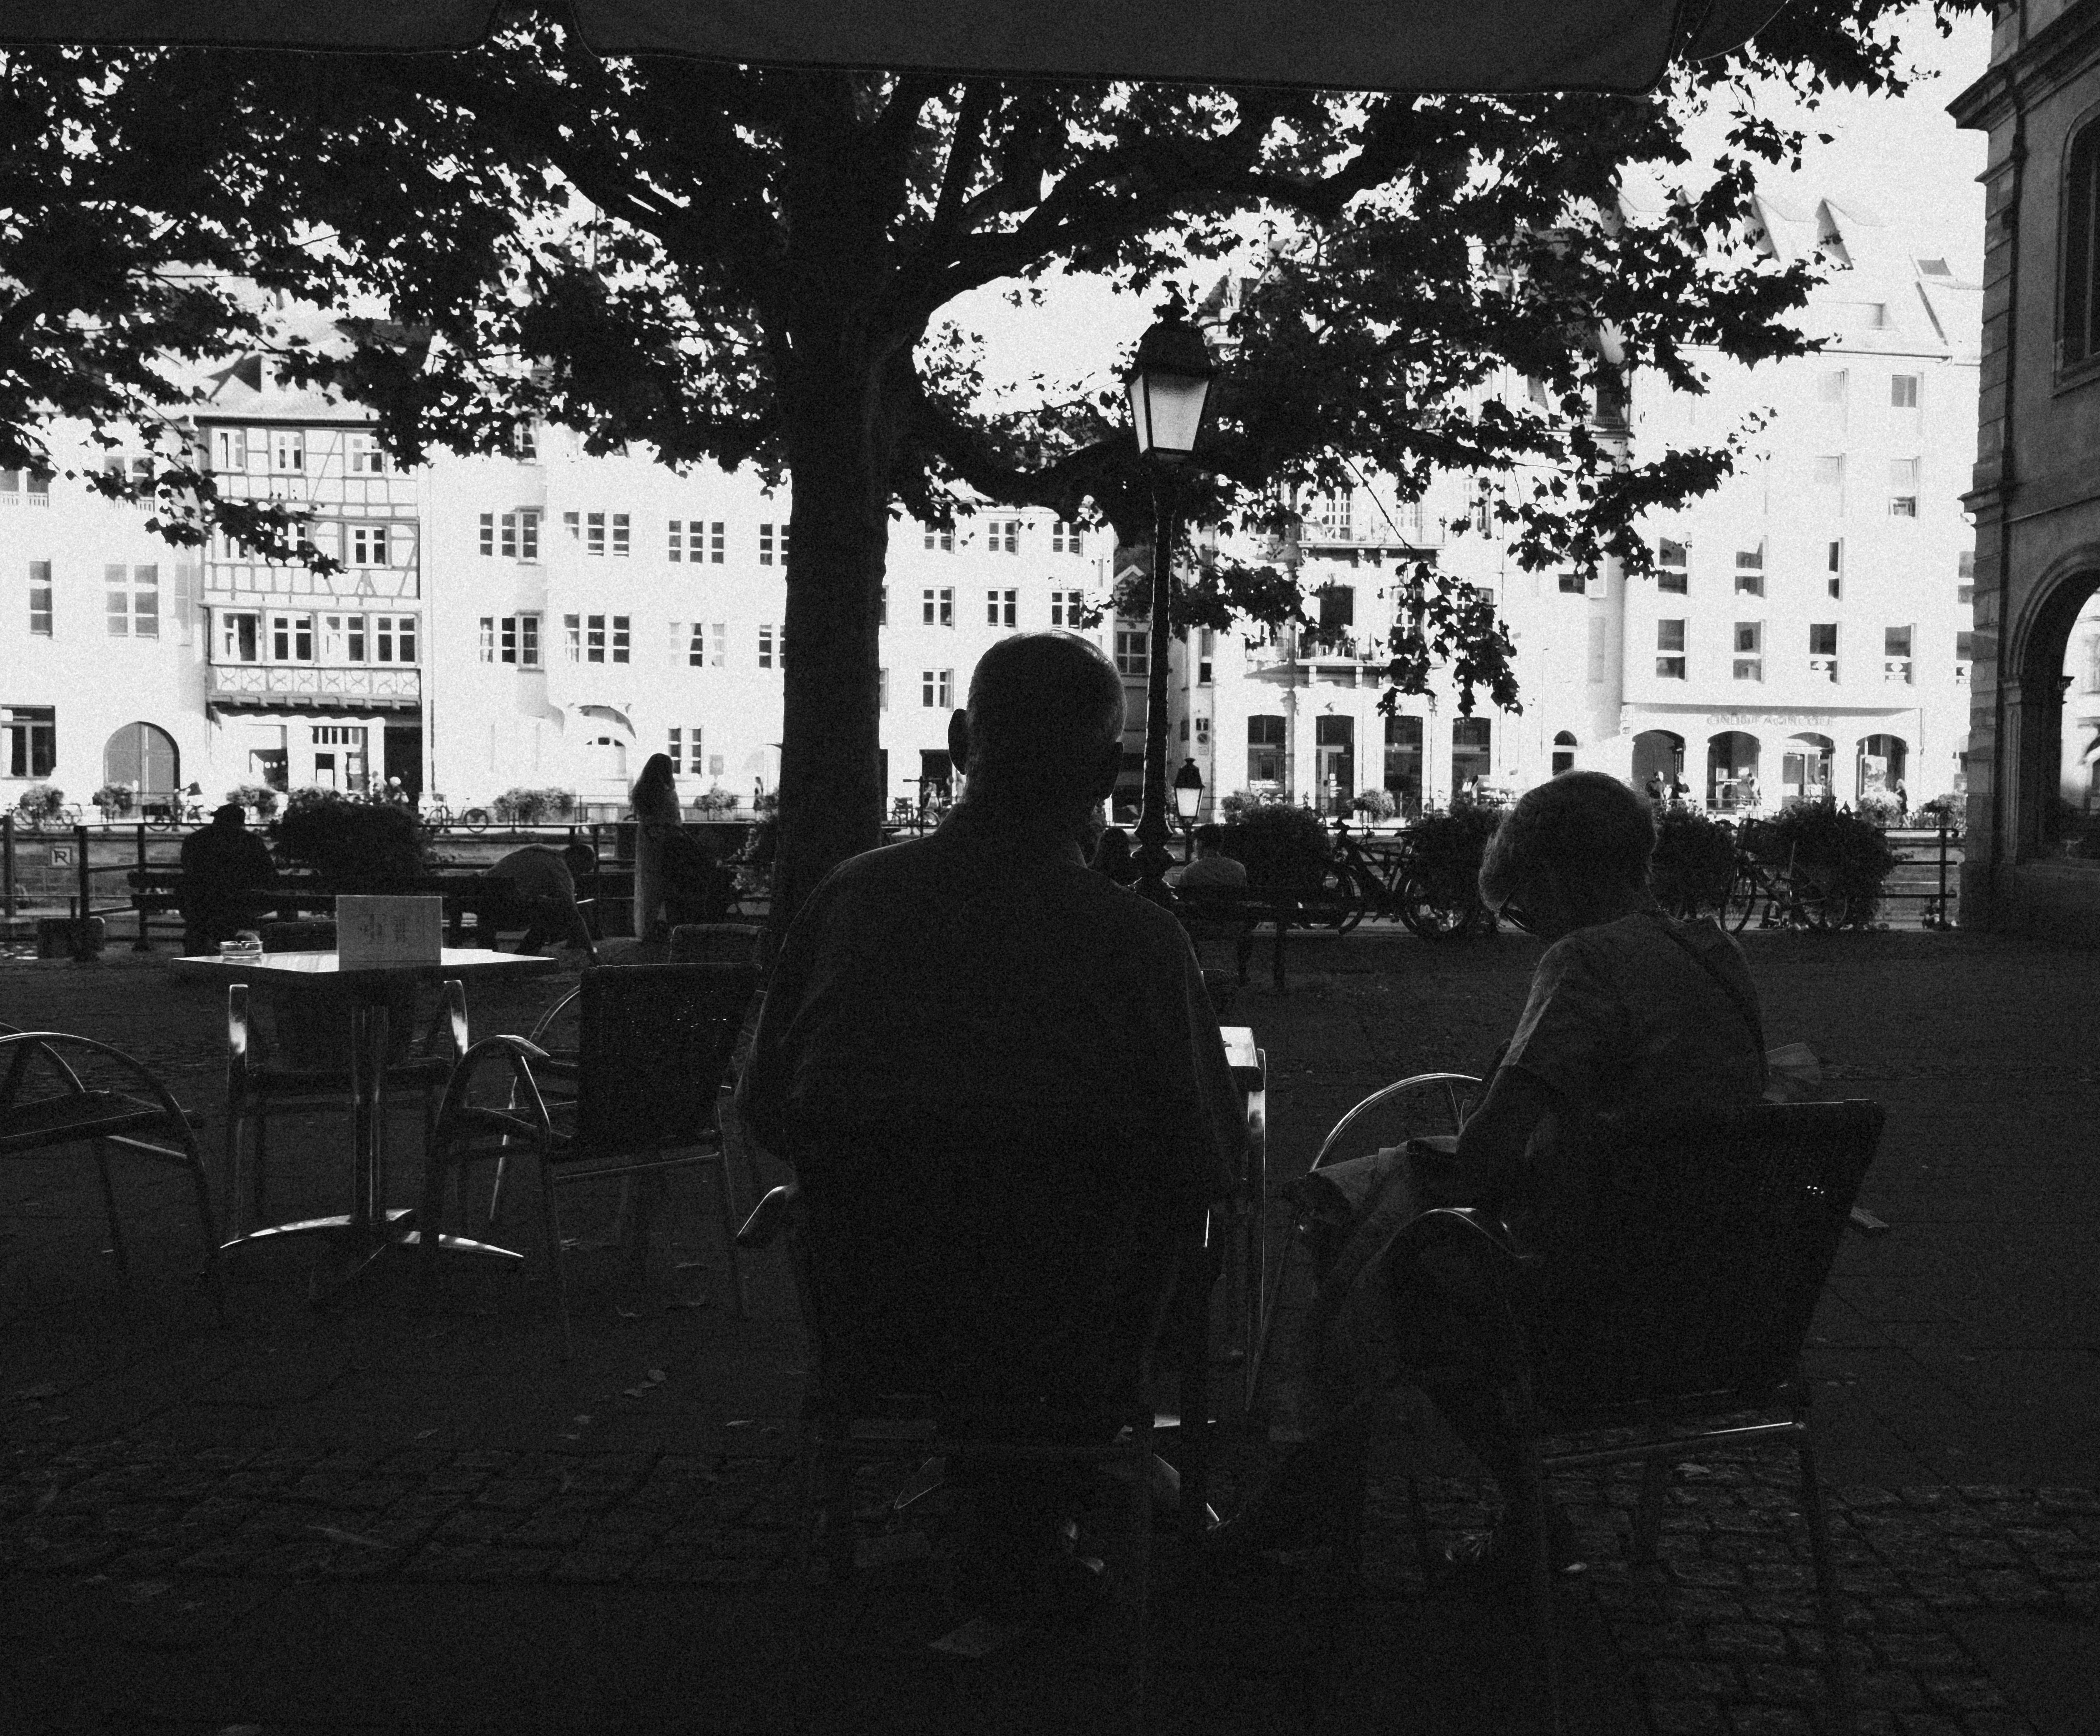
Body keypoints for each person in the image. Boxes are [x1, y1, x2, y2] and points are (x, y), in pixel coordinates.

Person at [746, 633, 1244, 1624]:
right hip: (1073, 1335)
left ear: (960, 739)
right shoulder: (1137, 944)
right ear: (1106, 775)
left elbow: (769, 1108)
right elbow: (1206, 1158)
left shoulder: (851, 903)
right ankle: (1045, 1505)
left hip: (884, 1316)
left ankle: (995, 1515)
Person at [1212, 770, 1769, 1575]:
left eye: (1521, 913)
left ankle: (1342, 1487)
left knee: (1359, 1224)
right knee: (1382, 1214)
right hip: (1711, 1293)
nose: (1531, 936)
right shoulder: (1716, 954)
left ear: (1551, 879)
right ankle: (1329, 1488)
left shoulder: (1588, 960)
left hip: (1587, 1305)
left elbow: (1483, 1160)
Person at [178, 803, 277, 954]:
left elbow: (188, 868)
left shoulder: (195, 839)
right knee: (230, 909)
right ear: (240, 821)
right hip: (238, 902)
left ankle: (197, 953)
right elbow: (270, 874)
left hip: (197, 902)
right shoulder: (250, 841)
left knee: (206, 914)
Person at [482, 841, 600, 964]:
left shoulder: (530, 853)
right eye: (581, 870)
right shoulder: (559, 867)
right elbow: (572, 911)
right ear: (576, 859)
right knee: (555, 915)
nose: (578, 875)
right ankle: (524, 958)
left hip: (485, 904)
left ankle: (490, 952)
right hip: (508, 911)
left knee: (545, 906)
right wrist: (591, 951)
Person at [627, 753, 684, 946]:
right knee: (668, 882)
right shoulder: (666, 791)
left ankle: (650, 927)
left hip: (648, 837)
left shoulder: (644, 790)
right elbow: (672, 817)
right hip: (666, 839)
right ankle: (669, 927)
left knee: (649, 882)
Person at [1166, 824, 1248, 892]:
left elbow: (1183, 896)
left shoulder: (1190, 871)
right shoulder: (1239, 869)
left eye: (1194, 844)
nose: (1194, 849)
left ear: (1200, 844)